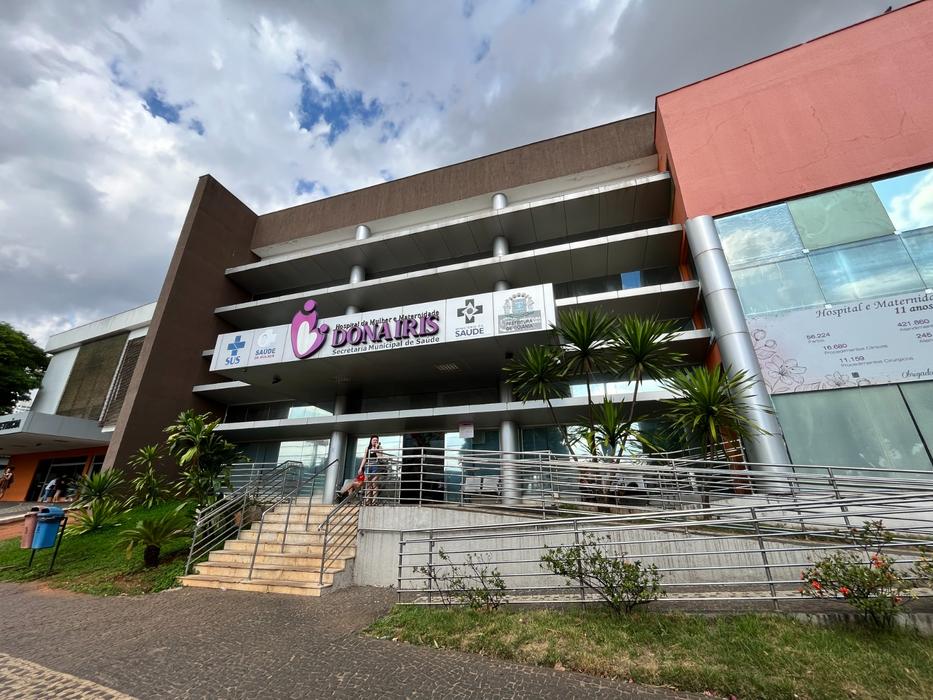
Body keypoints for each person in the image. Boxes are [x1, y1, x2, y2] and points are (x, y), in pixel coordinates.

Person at [358, 435, 385, 505]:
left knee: (374, 483)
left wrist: (376, 449)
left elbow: (380, 458)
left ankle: (374, 501)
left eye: (376, 440)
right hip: (368, 466)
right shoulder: (367, 448)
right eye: (374, 440)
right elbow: (364, 458)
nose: (375, 441)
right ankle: (367, 501)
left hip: (376, 466)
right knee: (368, 484)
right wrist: (361, 467)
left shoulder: (380, 448)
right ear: (371, 441)